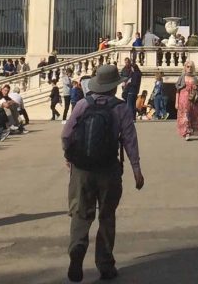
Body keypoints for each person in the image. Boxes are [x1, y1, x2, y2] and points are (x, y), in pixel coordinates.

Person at [61, 66, 145, 284]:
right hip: (108, 169)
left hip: (82, 169)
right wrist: (136, 169)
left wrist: (69, 156)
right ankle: (105, 265)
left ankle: (77, 249)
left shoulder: (82, 104)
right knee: (107, 216)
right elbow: (129, 140)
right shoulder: (121, 108)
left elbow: (66, 134)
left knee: (80, 214)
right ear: (114, 86)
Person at [175, 61, 198, 141]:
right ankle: (186, 133)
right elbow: (178, 90)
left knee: (194, 115)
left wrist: (197, 88)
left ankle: (194, 131)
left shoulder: (195, 78)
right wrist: (176, 102)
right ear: (185, 67)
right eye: (188, 66)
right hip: (183, 99)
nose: (189, 68)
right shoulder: (182, 77)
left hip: (193, 100)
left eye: (191, 66)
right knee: (185, 116)